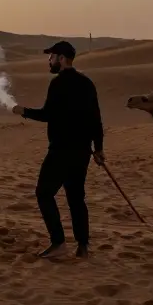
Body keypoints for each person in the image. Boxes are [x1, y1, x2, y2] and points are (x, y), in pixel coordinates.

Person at [12, 40, 105, 259]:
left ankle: (58, 243)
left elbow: (47, 115)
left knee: (44, 193)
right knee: (75, 198)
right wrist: (99, 149)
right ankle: (82, 246)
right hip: (82, 151)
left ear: (62, 59)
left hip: (61, 150)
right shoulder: (87, 83)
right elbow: (96, 120)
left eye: (52, 57)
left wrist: (23, 110)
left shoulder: (58, 83)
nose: (49, 60)